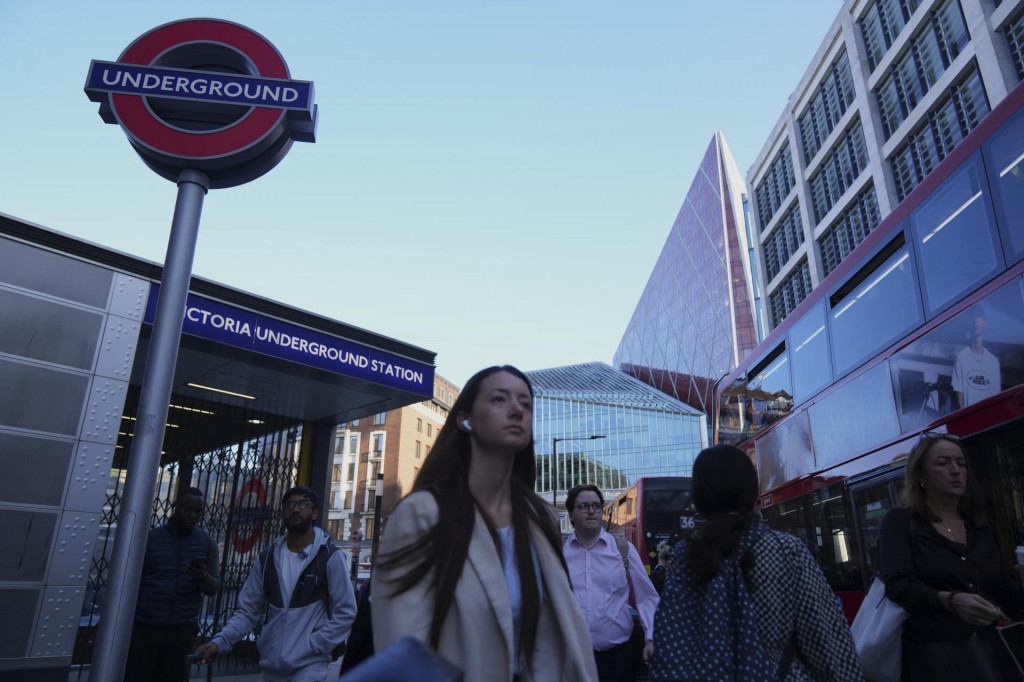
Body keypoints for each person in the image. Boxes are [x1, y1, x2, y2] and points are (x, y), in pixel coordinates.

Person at [371, 365, 597, 681]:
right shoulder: (423, 513)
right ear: (465, 419)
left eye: (526, 403)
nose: (517, 410)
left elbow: (554, 636)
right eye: (499, 400)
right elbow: (401, 642)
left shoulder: (539, 516)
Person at [650, 445, 861, 681]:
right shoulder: (785, 550)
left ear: (697, 499)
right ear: (754, 493)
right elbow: (829, 647)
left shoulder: (682, 557)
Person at [879, 432, 1024, 681]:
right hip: (934, 660)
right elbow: (898, 585)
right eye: (943, 463)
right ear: (921, 476)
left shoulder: (978, 525)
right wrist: (950, 600)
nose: (956, 470)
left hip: (992, 656)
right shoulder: (901, 522)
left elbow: (1001, 591)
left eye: (961, 463)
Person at [193, 485, 357, 682]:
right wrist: (218, 643)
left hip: (309, 668)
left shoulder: (330, 556)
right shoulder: (267, 558)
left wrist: (316, 644)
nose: (296, 509)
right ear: (283, 512)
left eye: (303, 504)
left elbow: (346, 611)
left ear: (314, 513)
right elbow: (247, 612)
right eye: (290, 504)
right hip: (270, 667)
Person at [563, 484, 659, 682]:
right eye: (583, 506)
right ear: (571, 515)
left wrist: (651, 637)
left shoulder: (623, 549)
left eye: (596, 506)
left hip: (617, 659)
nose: (591, 511)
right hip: (570, 658)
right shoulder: (557, 553)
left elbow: (647, 597)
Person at [124, 486, 220, 682]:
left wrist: (202, 577)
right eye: (187, 509)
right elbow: (132, 580)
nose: (193, 515)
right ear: (175, 507)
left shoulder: (206, 543)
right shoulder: (151, 538)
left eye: (198, 511)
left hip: (181, 630)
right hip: (145, 628)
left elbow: (214, 587)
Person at [952, 304, 1001, 409]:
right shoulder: (961, 358)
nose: (975, 320)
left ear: (984, 321)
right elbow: (960, 401)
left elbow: (997, 398)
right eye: (972, 317)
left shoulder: (993, 362)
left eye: (978, 316)